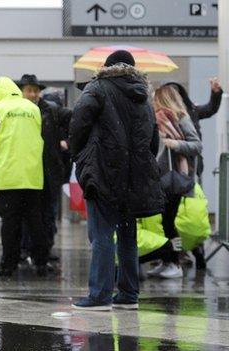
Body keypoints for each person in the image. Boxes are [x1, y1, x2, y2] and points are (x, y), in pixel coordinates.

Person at [70, 50, 164, 311]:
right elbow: (153, 140)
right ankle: (128, 294)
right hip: (134, 177)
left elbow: (79, 124)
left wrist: (80, 155)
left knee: (101, 233)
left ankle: (100, 295)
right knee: (127, 234)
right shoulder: (144, 97)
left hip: (103, 171)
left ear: (107, 67)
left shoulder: (98, 88)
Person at [0, 76, 47, 277]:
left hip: (9, 176)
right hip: (33, 175)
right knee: (36, 221)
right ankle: (41, 263)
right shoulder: (32, 108)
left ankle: (9, 264)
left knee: (10, 223)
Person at [150, 84, 202, 279]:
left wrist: (175, 143)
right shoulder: (159, 120)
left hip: (175, 179)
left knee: (169, 222)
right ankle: (167, 261)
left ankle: (175, 262)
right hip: (162, 178)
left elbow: (196, 145)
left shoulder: (182, 118)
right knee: (163, 222)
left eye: (156, 98)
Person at [18, 74, 72, 260]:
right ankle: (27, 249)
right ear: (22, 92)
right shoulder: (17, 112)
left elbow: (77, 122)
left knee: (48, 214)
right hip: (26, 172)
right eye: (29, 90)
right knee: (28, 215)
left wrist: (68, 142)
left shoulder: (52, 110)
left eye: (35, 90)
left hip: (49, 172)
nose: (32, 94)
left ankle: (44, 251)